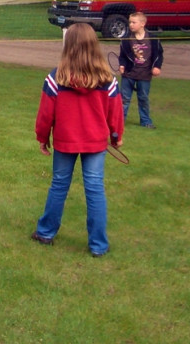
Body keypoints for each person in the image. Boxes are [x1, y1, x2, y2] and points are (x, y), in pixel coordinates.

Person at [31, 23, 125, 257]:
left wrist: (43, 138)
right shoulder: (61, 78)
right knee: (94, 190)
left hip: (74, 142)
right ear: (94, 45)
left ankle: (46, 233)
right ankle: (98, 246)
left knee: (61, 185)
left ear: (68, 46)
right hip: (84, 142)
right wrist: (116, 137)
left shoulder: (99, 79)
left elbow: (44, 115)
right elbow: (116, 113)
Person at [118, 12, 163, 129]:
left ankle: (146, 121)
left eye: (134, 22)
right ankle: (120, 121)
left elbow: (159, 55)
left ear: (143, 23)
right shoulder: (126, 39)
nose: (131, 25)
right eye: (130, 22)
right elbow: (122, 56)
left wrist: (157, 66)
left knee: (143, 98)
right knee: (124, 99)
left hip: (145, 75)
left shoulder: (153, 39)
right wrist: (122, 65)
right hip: (129, 74)